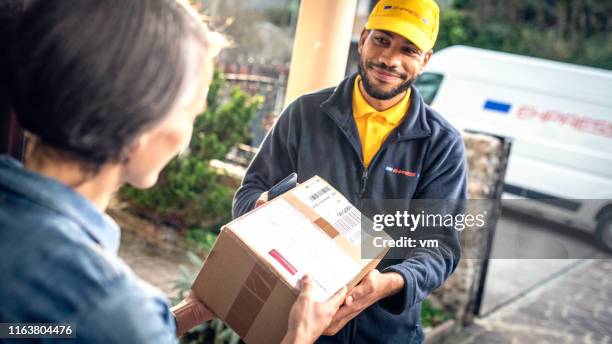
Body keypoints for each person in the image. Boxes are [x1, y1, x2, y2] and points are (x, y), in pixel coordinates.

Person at [0, 0, 346, 343]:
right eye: (190, 114)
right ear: (139, 127)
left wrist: (185, 315)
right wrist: (299, 334)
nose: (187, 137)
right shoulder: (110, 306)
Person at [233, 0, 466, 343]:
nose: (390, 59)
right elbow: (247, 196)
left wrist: (388, 283)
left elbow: (439, 249)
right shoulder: (304, 114)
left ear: (425, 60)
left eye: (409, 50)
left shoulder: (441, 144)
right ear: (363, 38)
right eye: (382, 41)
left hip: (384, 334)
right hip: (293, 322)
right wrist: (263, 207)